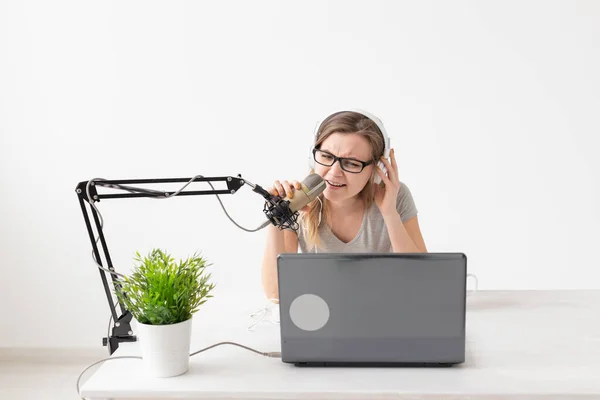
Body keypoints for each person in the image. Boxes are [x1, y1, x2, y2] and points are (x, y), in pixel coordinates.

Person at [261, 109, 427, 300]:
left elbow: (421, 279)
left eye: (351, 163)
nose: (334, 172)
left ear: (376, 169)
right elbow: (276, 295)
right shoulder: (297, 199)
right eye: (326, 156)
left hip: (383, 312)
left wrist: (390, 213)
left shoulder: (395, 197)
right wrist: (277, 215)